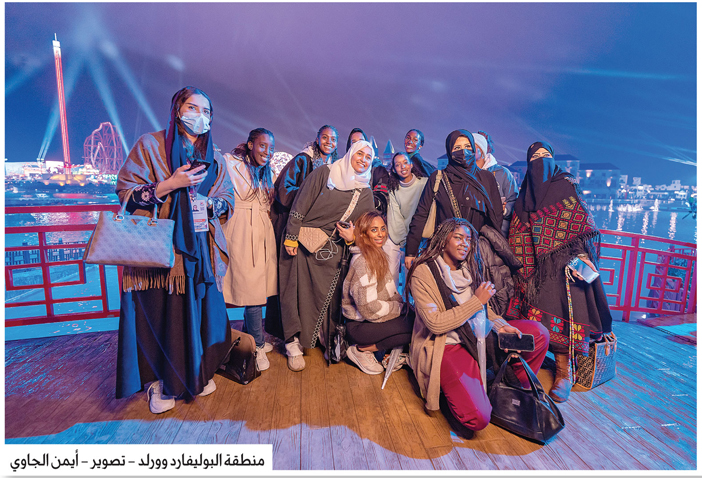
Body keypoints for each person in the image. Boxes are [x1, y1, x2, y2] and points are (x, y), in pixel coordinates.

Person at [115, 86, 235, 414]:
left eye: (206, 111)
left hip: (201, 251)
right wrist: (170, 185)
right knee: (161, 316)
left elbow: (227, 200)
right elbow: (126, 192)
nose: (200, 116)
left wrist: (209, 204)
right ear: (177, 110)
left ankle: (196, 374)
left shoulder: (215, 156)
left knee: (203, 315)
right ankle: (160, 382)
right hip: (161, 251)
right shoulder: (150, 145)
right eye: (193, 108)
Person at [407, 218, 549, 431]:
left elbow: (485, 309)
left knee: (539, 334)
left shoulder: (470, 267)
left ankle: (510, 389)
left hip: (479, 335)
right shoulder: (423, 272)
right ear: (443, 240)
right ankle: (469, 392)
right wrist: (476, 301)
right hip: (448, 343)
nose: (465, 244)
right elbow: (435, 324)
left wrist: (500, 325)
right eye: (458, 238)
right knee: (479, 418)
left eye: (468, 239)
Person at [506, 141, 614, 403]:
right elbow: (517, 233)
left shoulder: (566, 185)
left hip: (565, 267)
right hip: (534, 270)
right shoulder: (524, 194)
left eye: (546, 155)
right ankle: (529, 364)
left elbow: (581, 226)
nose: (541, 161)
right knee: (533, 316)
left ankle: (564, 373)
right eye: (536, 157)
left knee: (564, 315)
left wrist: (581, 257)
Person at [279, 140, 375, 371]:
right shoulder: (325, 173)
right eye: (359, 154)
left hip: (333, 251)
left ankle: (323, 340)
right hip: (302, 244)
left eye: (368, 157)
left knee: (326, 298)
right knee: (295, 292)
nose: (363, 160)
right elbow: (300, 203)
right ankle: (292, 343)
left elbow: (365, 227)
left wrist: (353, 237)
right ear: (350, 154)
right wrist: (291, 235)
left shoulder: (365, 191)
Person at [265, 125, 339, 340]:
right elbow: (284, 190)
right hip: (291, 227)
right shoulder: (303, 160)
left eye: (333, 139)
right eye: (325, 137)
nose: (329, 142)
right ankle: (282, 333)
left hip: (313, 232)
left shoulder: (333, 166)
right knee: (287, 281)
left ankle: (307, 330)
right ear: (317, 138)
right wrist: (311, 196)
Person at [404, 130, 503, 269]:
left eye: (467, 147)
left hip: (477, 254)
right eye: (457, 148)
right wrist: (411, 251)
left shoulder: (486, 178)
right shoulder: (438, 178)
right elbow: (421, 214)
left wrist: (488, 247)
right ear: (449, 151)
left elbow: (496, 217)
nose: (463, 151)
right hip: (444, 252)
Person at [222, 128, 278, 371]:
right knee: (250, 289)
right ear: (250, 144)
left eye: (271, 148)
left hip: (262, 230)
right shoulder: (229, 163)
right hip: (241, 229)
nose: (267, 151)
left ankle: (249, 339)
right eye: (262, 145)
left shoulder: (268, 172)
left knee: (255, 289)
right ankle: (257, 344)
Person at [342, 211, 414, 374]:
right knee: (413, 326)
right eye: (374, 230)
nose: (381, 234)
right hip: (359, 326)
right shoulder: (363, 263)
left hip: (368, 321)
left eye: (382, 228)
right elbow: (369, 309)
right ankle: (361, 350)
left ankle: (382, 351)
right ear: (363, 234)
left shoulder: (376, 254)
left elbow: (389, 293)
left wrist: (404, 307)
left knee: (416, 320)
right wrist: (399, 308)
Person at [384, 151, 428, 289]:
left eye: (405, 162)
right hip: (405, 240)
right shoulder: (394, 190)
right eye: (398, 165)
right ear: (393, 169)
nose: (402, 167)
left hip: (425, 238)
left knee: (420, 279)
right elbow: (396, 219)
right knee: (404, 276)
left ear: (411, 165)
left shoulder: (425, 184)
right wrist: (408, 244)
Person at [475, 131, 519, 237]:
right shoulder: (464, 173)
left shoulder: (503, 173)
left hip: (498, 234)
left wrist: (504, 210)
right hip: (471, 234)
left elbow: (514, 200)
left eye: (473, 146)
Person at [346, 128, 390, 214]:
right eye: (354, 142)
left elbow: (382, 198)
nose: (358, 145)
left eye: (361, 141)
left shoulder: (377, 168)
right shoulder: (342, 168)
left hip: (369, 216)